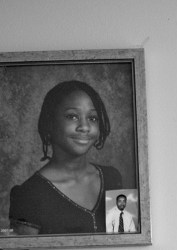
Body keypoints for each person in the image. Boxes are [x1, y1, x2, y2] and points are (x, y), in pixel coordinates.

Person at [9, 80, 122, 235]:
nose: (84, 127)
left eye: (92, 118)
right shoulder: (29, 195)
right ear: (50, 123)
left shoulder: (112, 178)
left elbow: (125, 240)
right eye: (72, 116)